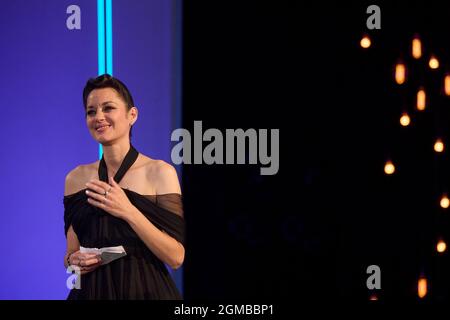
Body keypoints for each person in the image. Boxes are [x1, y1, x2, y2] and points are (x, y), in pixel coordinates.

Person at [63, 74, 185, 299]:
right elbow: (71, 253)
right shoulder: (75, 178)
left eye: (108, 108)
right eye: (91, 111)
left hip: (144, 290)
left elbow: (176, 256)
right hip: (90, 291)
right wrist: (73, 260)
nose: (99, 117)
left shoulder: (159, 172)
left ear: (132, 115)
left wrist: (128, 211)